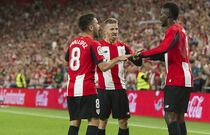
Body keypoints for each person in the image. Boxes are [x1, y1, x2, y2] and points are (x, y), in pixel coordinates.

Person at [65, 14, 130, 135]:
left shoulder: (73, 42)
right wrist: (119, 58)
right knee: (94, 121)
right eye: (96, 23)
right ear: (90, 27)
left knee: (74, 123)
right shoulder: (94, 43)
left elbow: (67, 60)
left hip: (71, 88)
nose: (99, 26)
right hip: (87, 88)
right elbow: (104, 67)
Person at [135, 2, 193, 135]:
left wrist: (142, 54)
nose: (159, 17)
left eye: (161, 14)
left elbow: (163, 48)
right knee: (179, 117)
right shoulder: (182, 30)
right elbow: (166, 55)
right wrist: (145, 57)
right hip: (185, 77)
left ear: (168, 16)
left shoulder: (173, 29)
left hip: (177, 78)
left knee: (169, 116)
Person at [96, 18, 142, 135]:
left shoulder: (123, 46)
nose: (115, 31)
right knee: (102, 122)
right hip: (103, 89)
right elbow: (102, 67)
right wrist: (117, 59)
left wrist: (137, 56)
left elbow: (137, 62)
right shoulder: (98, 46)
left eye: (116, 28)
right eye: (112, 29)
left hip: (119, 90)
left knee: (123, 122)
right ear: (105, 31)